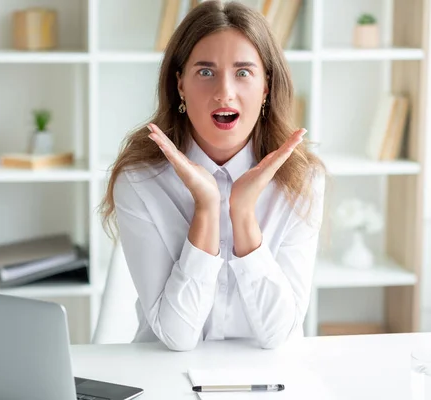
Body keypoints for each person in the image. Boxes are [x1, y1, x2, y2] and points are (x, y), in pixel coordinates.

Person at [99, 0, 326, 352]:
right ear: (180, 87)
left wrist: (243, 213)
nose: (224, 92)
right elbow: (177, 336)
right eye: (205, 72)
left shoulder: (302, 179)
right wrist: (206, 208)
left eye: (243, 72)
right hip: (164, 373)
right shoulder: (141, 179)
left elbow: (279, 334)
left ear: (266, 86)